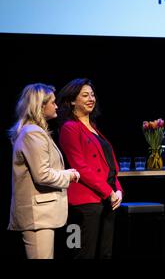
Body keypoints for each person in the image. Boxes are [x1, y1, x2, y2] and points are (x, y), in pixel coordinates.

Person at [8, 83, 80, 259]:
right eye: (53, 102)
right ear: (41, 105)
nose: (56, 106)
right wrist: (68, 175)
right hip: (37, 215)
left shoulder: (34, 132)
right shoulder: (32, 133)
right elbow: (43, 174)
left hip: (41, 214)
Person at [57, 78, 123, 259]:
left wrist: (118, 190)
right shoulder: (70, 128)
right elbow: (81, 167)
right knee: (84, 253)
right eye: (85, 95)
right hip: (87, 202)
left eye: (92, 95)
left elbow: (109, 166)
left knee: (105, 253)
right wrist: (108, 191)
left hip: (107, 199)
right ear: (72, 101)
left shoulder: (94, 128)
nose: (91, 98)